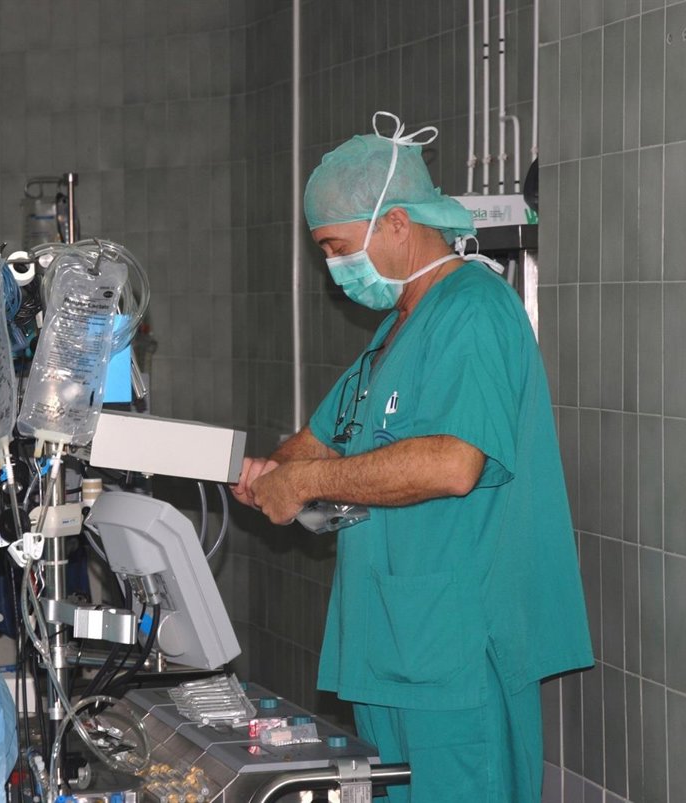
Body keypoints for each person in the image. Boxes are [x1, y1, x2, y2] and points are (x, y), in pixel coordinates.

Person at [232, 113, 592, 802]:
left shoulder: (475, 311)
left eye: (338, 249)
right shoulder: (395, 333)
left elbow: (453, 464)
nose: (336, 270)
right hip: (391, 653)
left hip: (454, 658)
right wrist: (268, 475)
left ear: (396, 222)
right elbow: (321, 439)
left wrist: (306, 481)